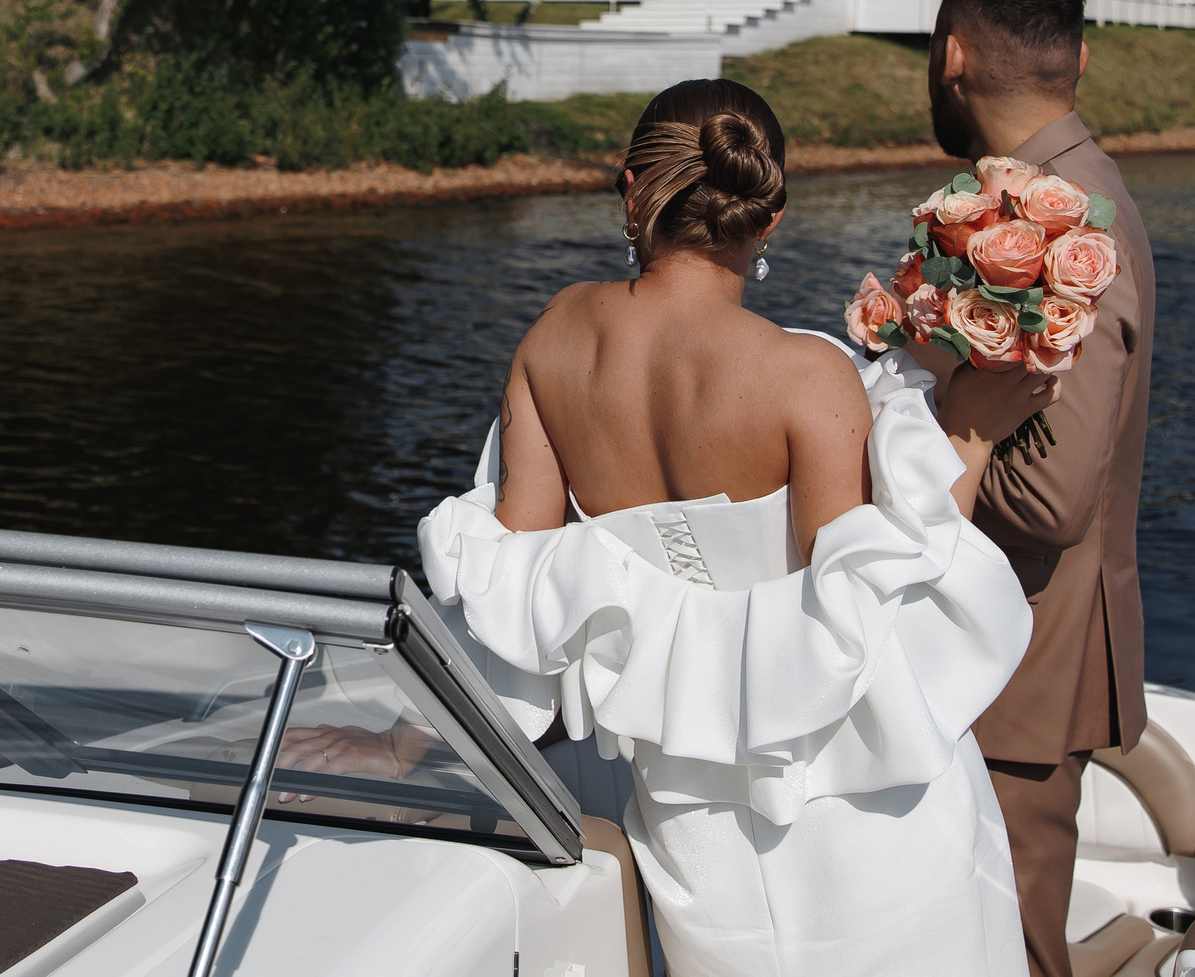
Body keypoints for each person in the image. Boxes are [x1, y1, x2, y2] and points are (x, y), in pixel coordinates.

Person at [389, 78, 1035, 976]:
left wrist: (397, 740)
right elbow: (875, 630)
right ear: (770, 218)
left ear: (632, 190)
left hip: (696, 842)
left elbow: (506, 603)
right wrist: (971, 433)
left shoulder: (552, 343)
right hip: (871, 831)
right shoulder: (805, 378)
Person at [920, 0, 1156, 977]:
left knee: (1010, 949)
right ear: (1080, 60)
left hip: (1024, 656)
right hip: (1004, 645)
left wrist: (914, 421)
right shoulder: (1051, 192)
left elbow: (1053, 498)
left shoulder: (1065, 221)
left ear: (953, 56)